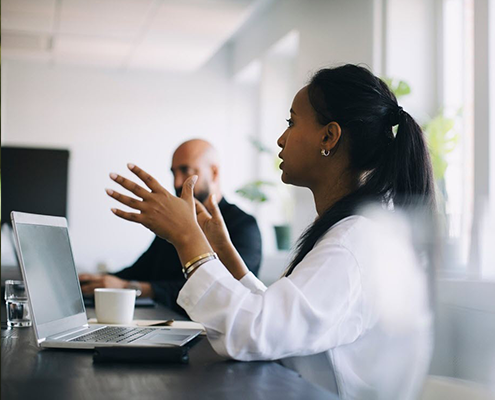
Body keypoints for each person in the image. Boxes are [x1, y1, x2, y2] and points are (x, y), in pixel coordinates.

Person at [106, 65, 436, 399]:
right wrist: (224, 253)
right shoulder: (359, 232)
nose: (281, 138)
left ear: (329, 137)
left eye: (292, 122)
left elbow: (253, 333)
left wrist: (188, 239)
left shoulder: (354, 243)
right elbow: (282, 321)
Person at [79, 139, 262, 314]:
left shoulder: (244, 226)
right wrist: (92, 281)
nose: (176, 182)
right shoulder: (174, 222)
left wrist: (130, 288)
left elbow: (223, 291)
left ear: (214, 173)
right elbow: (140, 271)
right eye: (174, 173)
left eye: (186, 171)